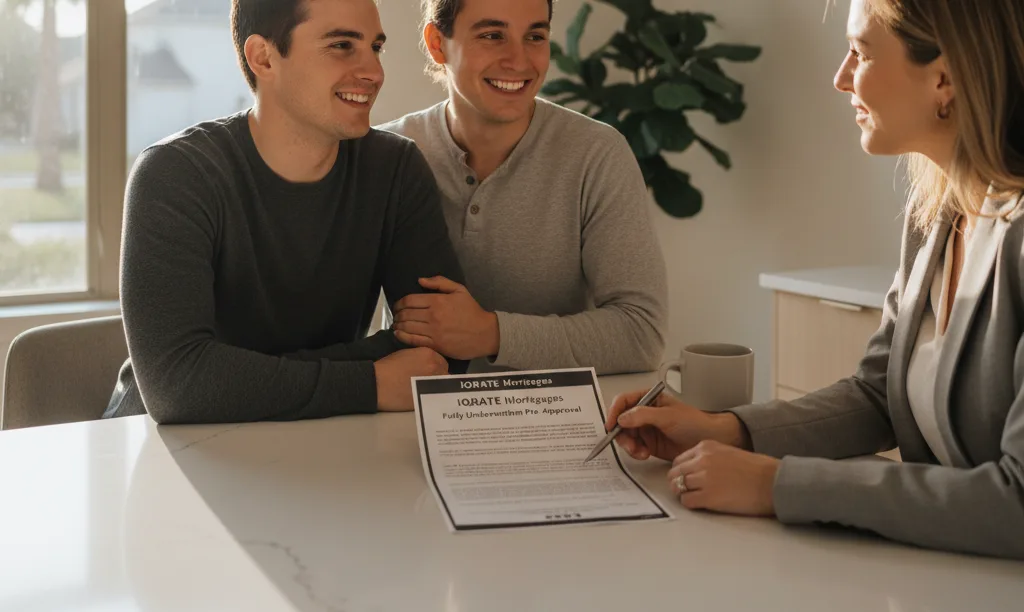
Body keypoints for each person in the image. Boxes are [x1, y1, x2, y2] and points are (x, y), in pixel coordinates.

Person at [606, 0, 1024, 560]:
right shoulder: (938, 214)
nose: (841, 77)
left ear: (944, 77)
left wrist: (775, 485)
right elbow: (879, 397)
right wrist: (723, 429)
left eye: (860, 53)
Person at [103, 0, 468, 424]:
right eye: (342, 46)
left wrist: (243, 376)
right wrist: (369, 381)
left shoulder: (395, 169)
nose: (374, 72)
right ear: (263, 57)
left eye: (375, 47)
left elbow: (439, 353)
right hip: (166, 455)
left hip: (315, 444)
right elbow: (179, 387)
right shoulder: (176, 175)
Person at [378, 0, 668, 374]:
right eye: (492, 35)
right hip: (410, 415)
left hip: (557, 416)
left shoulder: (596, 154)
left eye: (534, 36)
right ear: (437, 43)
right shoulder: (387, 153)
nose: (519, 61)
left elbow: (642, 335)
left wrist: (491, 334)